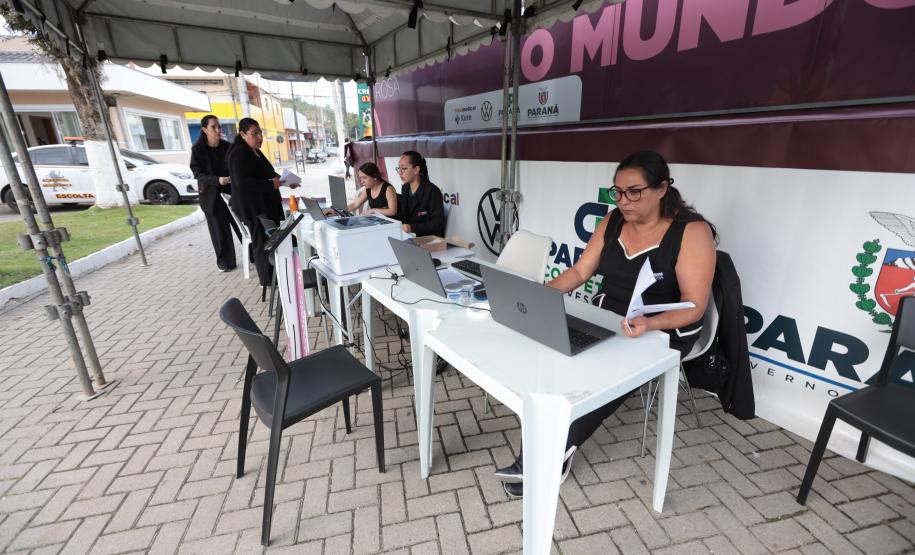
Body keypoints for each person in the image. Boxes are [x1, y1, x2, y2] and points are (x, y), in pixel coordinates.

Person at [497, 150, 718, 498]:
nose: (624, 201)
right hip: (611, 317)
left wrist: (649, 323)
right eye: (618, 191)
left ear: (662, 189)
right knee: (556, 355)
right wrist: (539, 295)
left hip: (664, 330)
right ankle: (547, 431)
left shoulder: (692, 232)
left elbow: (694, 306)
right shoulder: (613, 220)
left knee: (597, 376)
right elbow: (580, 271)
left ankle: (547, 458)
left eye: (635, 191)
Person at [226, 117, 286, 287]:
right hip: (253, 208)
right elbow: (242, 182)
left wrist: (283, 180)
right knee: (261, 243)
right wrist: (270, 184)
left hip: (264, 204)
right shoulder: (239, 152)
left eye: (260, 133)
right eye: (255, 134)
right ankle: (267, 282)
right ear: (243, 134)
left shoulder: (254, 150)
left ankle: (275, 275)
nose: (259, 137)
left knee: (270, 241)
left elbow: (268, 172)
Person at [190, 115, 239, 272]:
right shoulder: (197, 149)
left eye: (219, 126)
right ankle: (226, 263)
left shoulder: (227, 146)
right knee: (219, 230)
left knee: (241, 225)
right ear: (205, 130)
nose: (218, 130)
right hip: (211, 194)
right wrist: (218, 180)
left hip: (231, 192)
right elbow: (198, 174)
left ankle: (254, 256)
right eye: (213, 127)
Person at [396, 150, 445, 237]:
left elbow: (438, 224)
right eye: (399, 168)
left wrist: (412, 228)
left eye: (403, 168)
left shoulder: (432, 191)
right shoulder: (405, 188)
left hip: (428, 239)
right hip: (410, 236)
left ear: (416, 170)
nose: (400, 173)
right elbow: (404, 215)